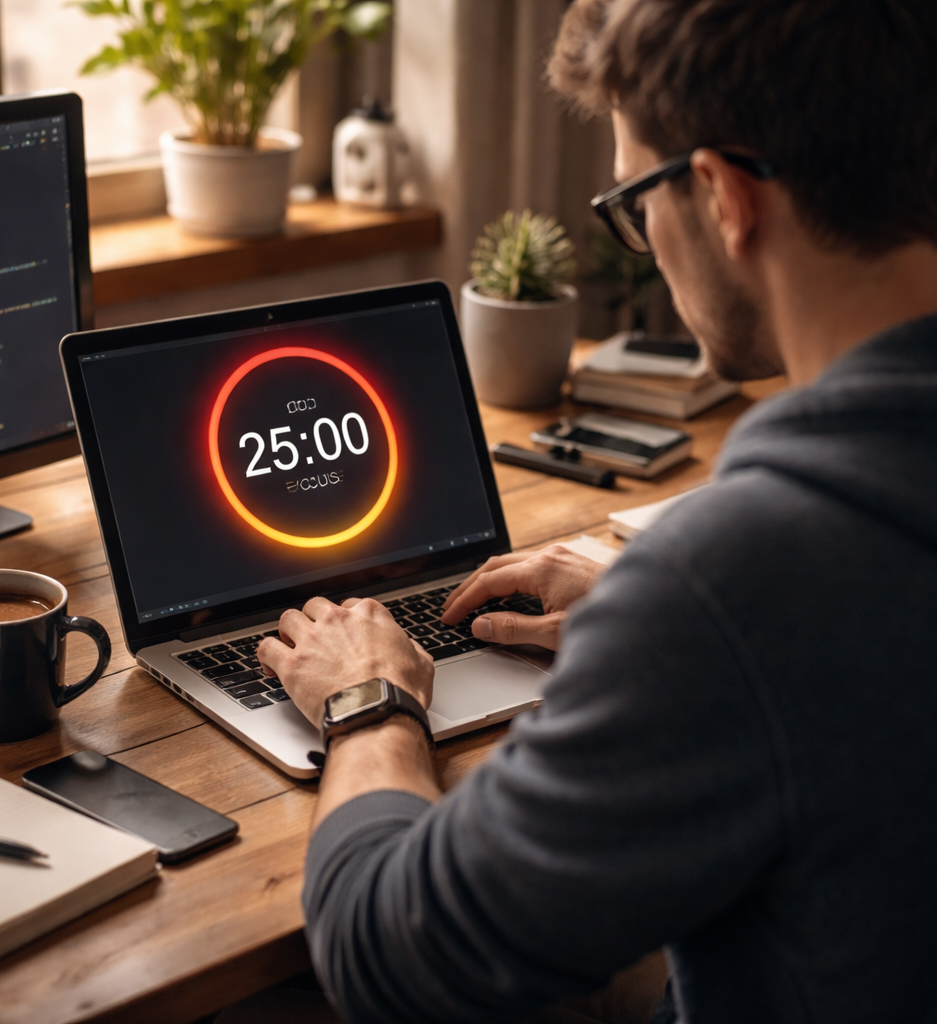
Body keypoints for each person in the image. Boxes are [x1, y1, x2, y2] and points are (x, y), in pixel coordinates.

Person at [245, 1, 937, 1021]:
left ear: (723, 195)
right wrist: (650, 613)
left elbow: (388, 959)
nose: (645, 239)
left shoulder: (736, 586)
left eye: (635, 199)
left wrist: (370, 703)